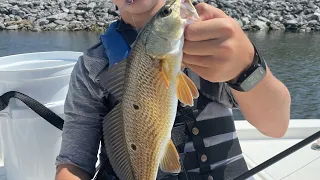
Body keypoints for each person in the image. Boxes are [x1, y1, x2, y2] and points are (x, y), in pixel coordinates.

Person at [55, 0, 291, 180]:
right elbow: (74, 162)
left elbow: (276, 125)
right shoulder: (93, 65)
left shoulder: (216, 43)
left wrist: (247, 67)